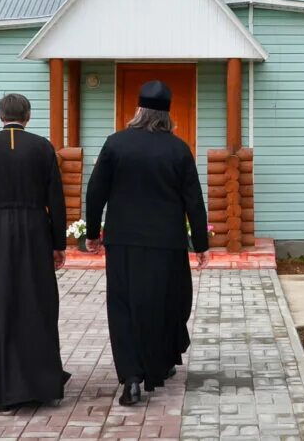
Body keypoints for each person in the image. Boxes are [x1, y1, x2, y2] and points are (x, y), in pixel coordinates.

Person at [85, 80, 210, 407]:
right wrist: (201, 244)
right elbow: (193, 201)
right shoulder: (179, 149)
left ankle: (132, 378)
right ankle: (159, 364)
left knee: (124, 306)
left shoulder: (115, 144)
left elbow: (96, 190)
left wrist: (92, 233)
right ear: (167, 116)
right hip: (167, 244)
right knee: (165, 303)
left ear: (138, 110)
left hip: (123, 242)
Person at [0, 93, 70, 410]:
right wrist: (59, 244)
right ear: (28, 116)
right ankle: (42, 383)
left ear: (0, 115)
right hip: (35, 228)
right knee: (38, 301)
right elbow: (56, 199)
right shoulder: (42, 146)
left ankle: (1, 387)